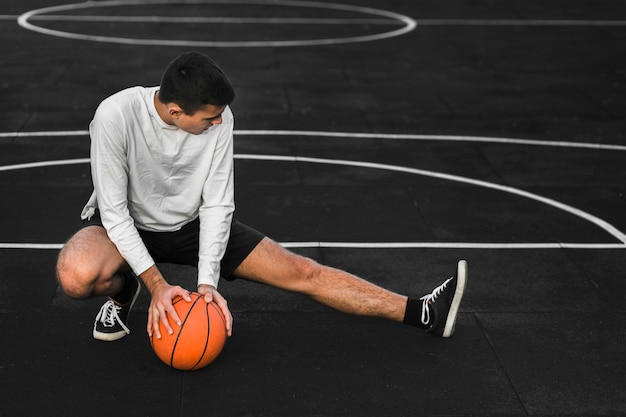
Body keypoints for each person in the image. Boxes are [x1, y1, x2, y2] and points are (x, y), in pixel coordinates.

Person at [56, 51, 467, 344]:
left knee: (304, 272)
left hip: (191, 225)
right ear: (177, 110)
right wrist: (158, 286)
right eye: (209, 118)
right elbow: (112, 211)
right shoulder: (115, 116)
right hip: (125, 225)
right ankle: (124, 289)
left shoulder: (219, 117)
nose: (219, 122)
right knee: (76, 275)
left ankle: (423, 312)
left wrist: (205, 283)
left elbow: (217, 202)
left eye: (220, 115)